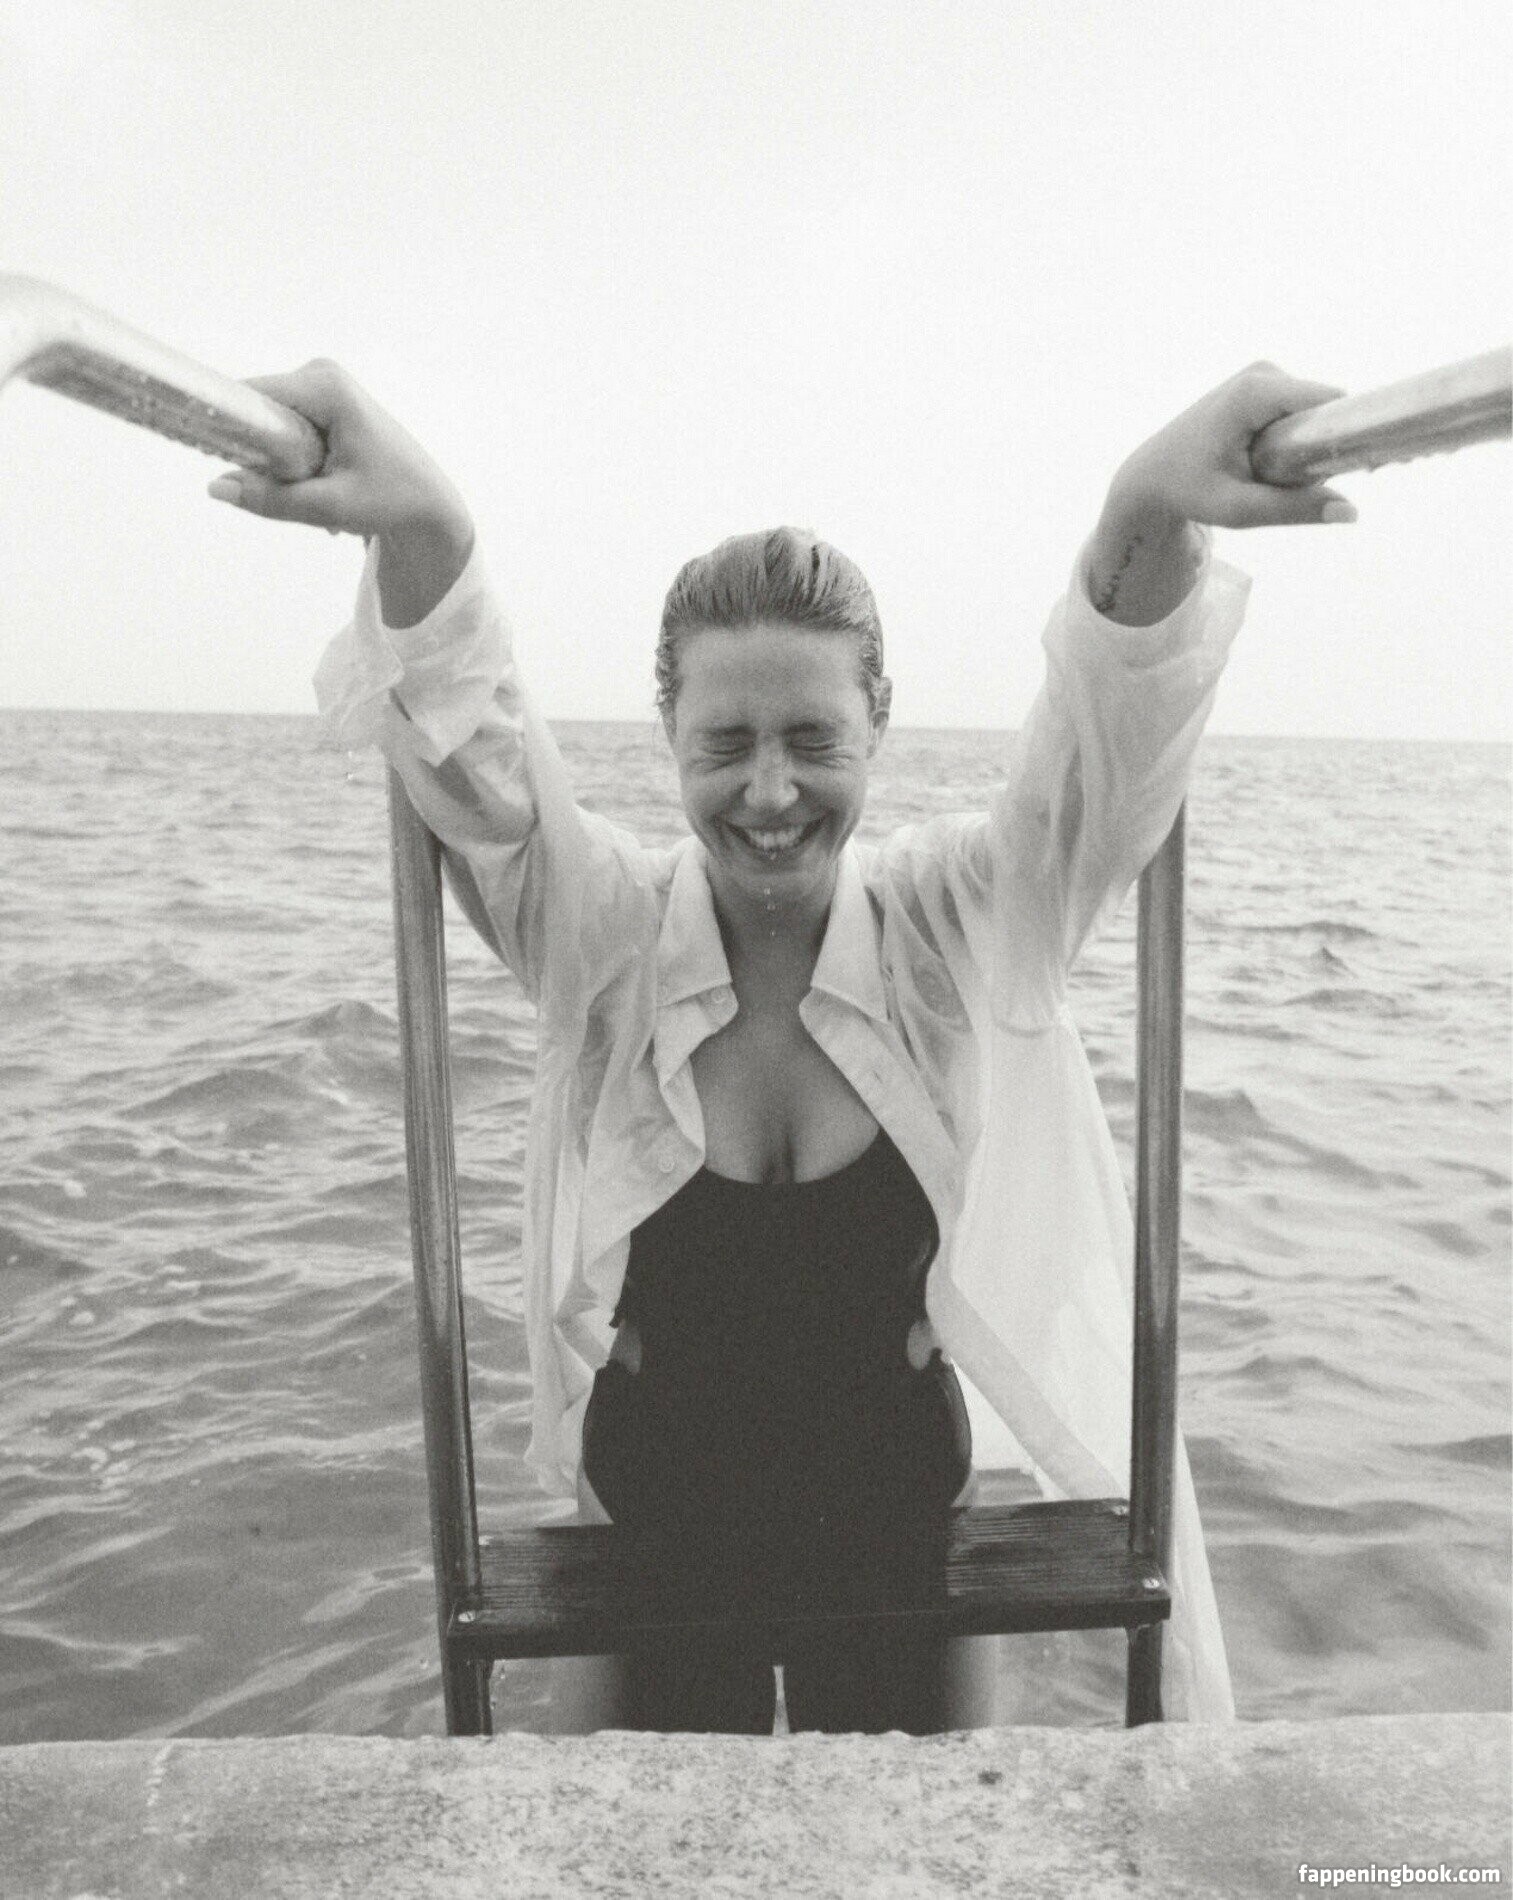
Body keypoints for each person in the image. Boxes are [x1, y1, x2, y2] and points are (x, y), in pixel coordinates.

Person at [207, 359, 1357, 1734]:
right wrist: (429, 528)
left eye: (813, 738)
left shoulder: (953, 924)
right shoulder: (607, 934)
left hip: (899, 1529)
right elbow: (475, 753)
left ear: (880, 722)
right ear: (668, 736)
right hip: (647, 1529)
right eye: (725, 743)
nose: (768, 791)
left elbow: (1102, 743)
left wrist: (1143, 508)